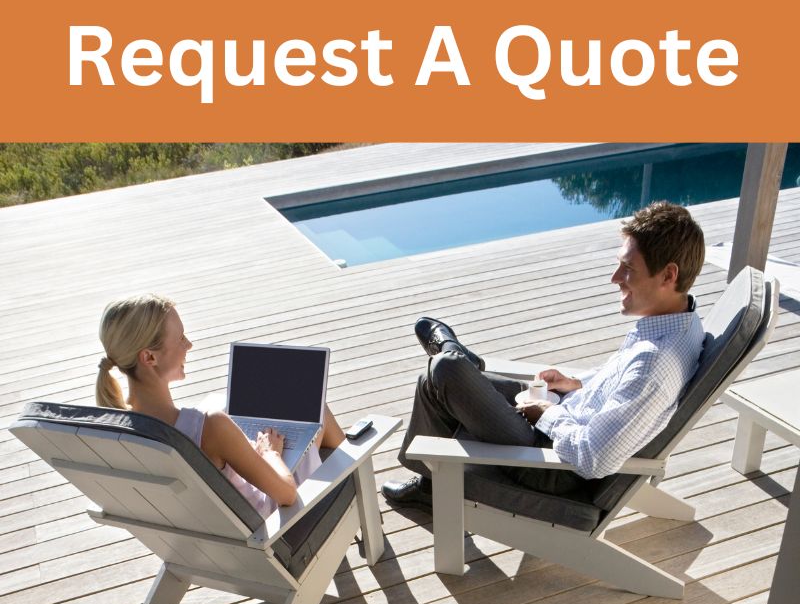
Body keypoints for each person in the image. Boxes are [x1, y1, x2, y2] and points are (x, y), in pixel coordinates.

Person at [382, 201, 706, 509]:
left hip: (552, 464)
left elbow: (595, 457)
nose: (615, 278)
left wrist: (544, 415)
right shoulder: (680, 325)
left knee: (447, 370)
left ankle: (454, 358)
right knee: (434, 378)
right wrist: (576, 382)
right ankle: (430, 485)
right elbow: (624, 385)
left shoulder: (656, 362)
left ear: (668, 275)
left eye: (628, 268)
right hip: (563, 415)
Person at [95, 294, 344, 517]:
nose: (189, 345)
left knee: (223, 402)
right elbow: (287, 494)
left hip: (205, 539)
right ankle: (351, 483)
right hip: (269, 527)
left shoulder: (114, 431)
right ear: (149, 357)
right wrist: (269, 453)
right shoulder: (211, 427)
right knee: (313, 406)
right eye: (181, 338)